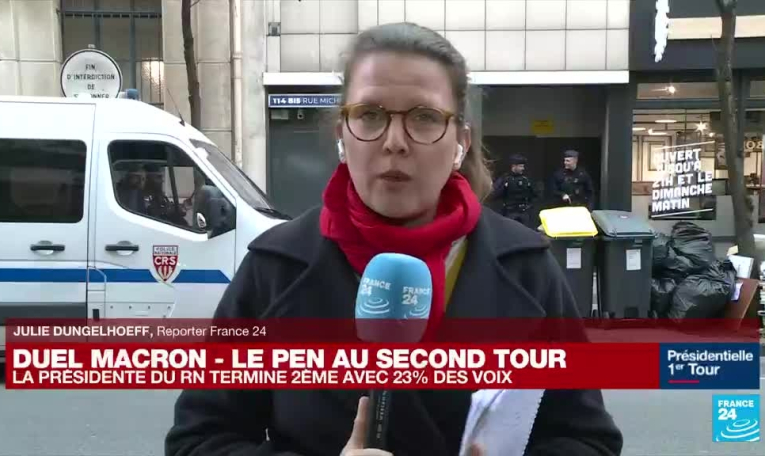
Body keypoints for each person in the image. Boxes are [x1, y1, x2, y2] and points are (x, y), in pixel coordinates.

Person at [165, 22, 623, 456]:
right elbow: (200, 439)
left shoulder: (527, 269)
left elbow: (585, 438)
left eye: (424, 117)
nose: (395, 142)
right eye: (370, 115)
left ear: (460, 142)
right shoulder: (276, 267)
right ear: (342, 135)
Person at [489, 154, 537, 227]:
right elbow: (494, 194)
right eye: (520, 166)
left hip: (524, 213)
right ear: (514, 166)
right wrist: (504, 187)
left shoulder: (525, 179)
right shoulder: (505, 179)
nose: (523, 168)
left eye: (523, 166)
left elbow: (534, 194)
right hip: (510, 213)